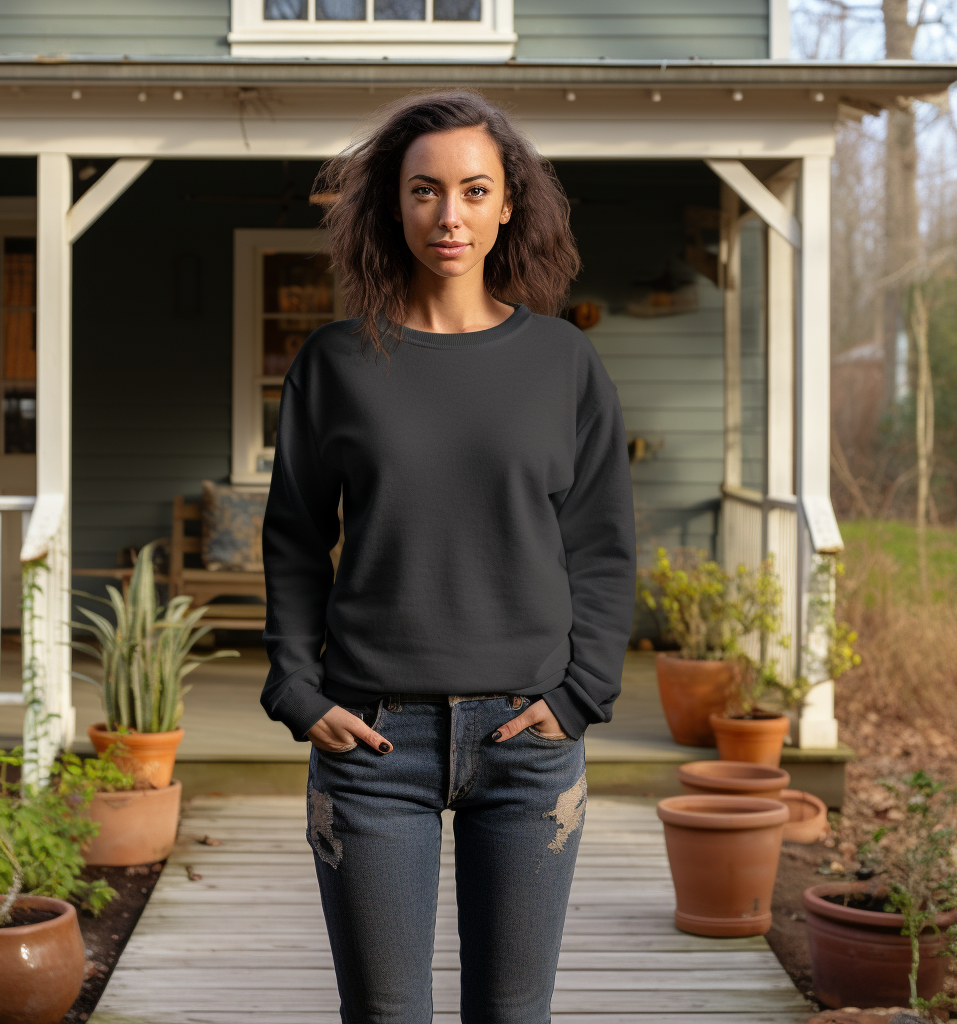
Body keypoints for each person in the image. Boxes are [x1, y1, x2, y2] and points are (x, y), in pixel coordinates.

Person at [260, 90, 636, 1024]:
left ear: (510, 204)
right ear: (394, 204)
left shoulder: (563, 362)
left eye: (475, 190)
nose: (450, 215)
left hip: (528, 742)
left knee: (513, 1016)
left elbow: (601, 543)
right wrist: (297, 692)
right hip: (372, 743)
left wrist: (580, 693)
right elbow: (296, 536)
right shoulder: (337, 363)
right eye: (424, 191)